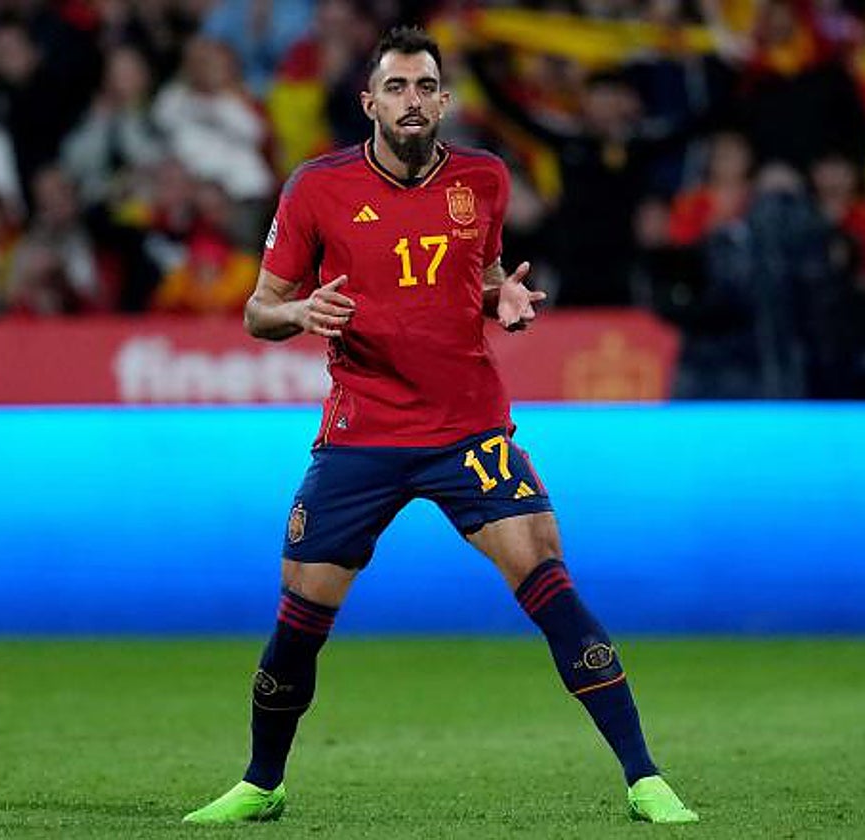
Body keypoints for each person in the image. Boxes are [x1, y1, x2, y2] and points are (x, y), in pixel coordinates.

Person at [184, 27, 698, 827]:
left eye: (425, 87)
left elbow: (482, 279)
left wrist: (504, 300)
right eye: (396, 88)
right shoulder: (317, 187)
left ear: (445, 100)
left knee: (549, 577)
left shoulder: (485, 180)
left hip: (469, 431)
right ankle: (262, 782)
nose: (412, 101)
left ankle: (644, 777)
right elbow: (259, 310)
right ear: (369, 103)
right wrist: (298, 310)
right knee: (299, 619)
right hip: (362, 431)